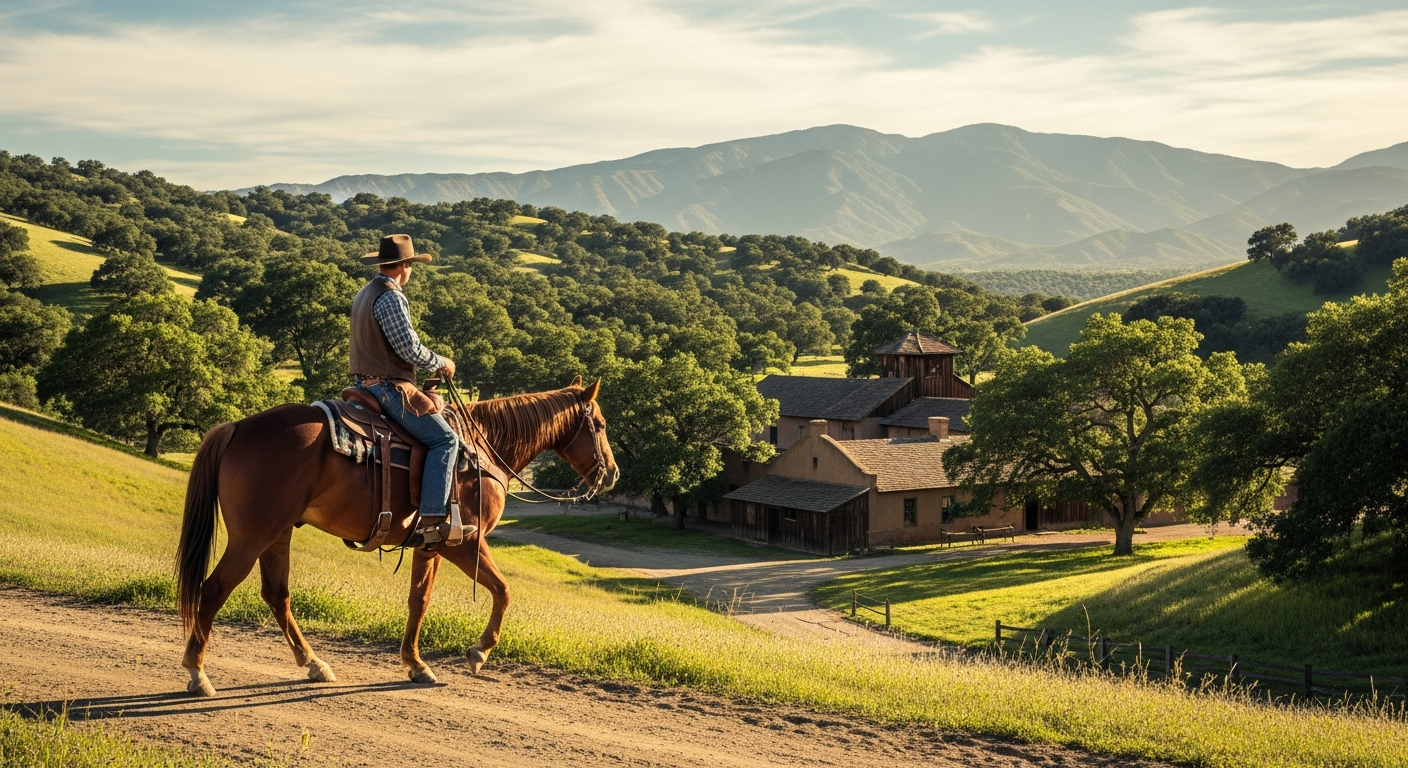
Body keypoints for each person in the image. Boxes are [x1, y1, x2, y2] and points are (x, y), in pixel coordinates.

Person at [350, 234, 469, 547]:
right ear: (404, 266)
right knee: (445, 440)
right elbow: (408, 349)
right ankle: (431, 520)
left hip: (363, 384)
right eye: (411, 265)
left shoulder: (365, 292)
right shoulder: (390, 296)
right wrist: (442, 362)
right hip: (389, 387)